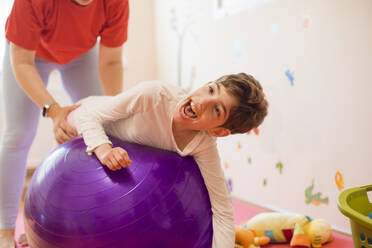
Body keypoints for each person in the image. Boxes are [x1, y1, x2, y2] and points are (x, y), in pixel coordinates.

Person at [68, 73, 268, 248]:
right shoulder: (155, 95)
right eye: (210, 90)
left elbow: (222, 210)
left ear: (218, 131)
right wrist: (104, 150)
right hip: (81, 123)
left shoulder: (202, 144)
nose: (203, 101)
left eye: (216, 110)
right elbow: (87, 116)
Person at [0, 0, 129, 247]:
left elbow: (111, 61)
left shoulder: (116, 2)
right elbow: (22, 62)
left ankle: (97, 220)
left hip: (81, 55)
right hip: (29, 57)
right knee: (17, 136)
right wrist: (54, 111)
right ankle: (4, 231)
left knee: (105, 128)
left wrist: (115, 109)